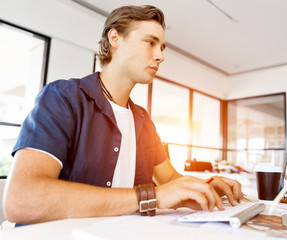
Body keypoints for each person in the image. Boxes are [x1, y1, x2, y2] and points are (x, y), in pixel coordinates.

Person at [3, 5, 243, 224]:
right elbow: (21, 198)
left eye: (162, 47)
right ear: (115, 37)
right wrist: (152, 197)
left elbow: (169, 179)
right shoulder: (63, 98)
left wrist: (207, 186)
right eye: (150, 42)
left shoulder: (143, 120)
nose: (160, 56)